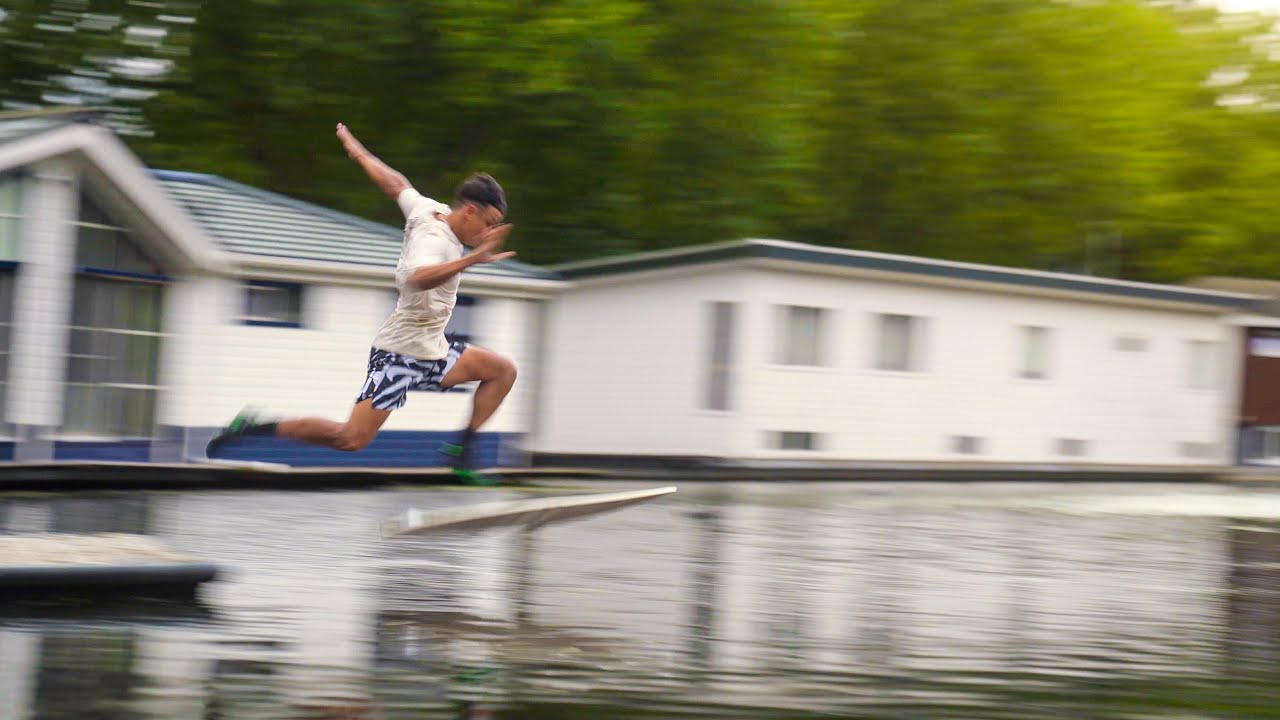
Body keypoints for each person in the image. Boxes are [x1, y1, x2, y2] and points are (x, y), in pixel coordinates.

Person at [205, 123, 519, 485]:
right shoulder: (434, 239)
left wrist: (359, 154)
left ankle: (461, 453)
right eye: (487, 224)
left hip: (434, 349)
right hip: (399, 354)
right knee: (350, 439)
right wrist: (471, 259)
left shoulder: (429, 209)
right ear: (469, 211)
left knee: (502, 371)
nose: (487, 235)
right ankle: (255, 428)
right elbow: (417, 277)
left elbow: (397, 185)